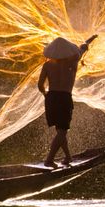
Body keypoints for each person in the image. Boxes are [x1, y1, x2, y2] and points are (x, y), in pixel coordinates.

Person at [38, 34, 98, 167]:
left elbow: (40, 85)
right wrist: (91, 38)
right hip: (64, 97)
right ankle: (49, 160)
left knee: (60, 129)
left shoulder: (47, 65)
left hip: (51, 97)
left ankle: (68, 157)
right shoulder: (73, 61)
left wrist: (45, 94)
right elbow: (83, 47)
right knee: (62, 130)